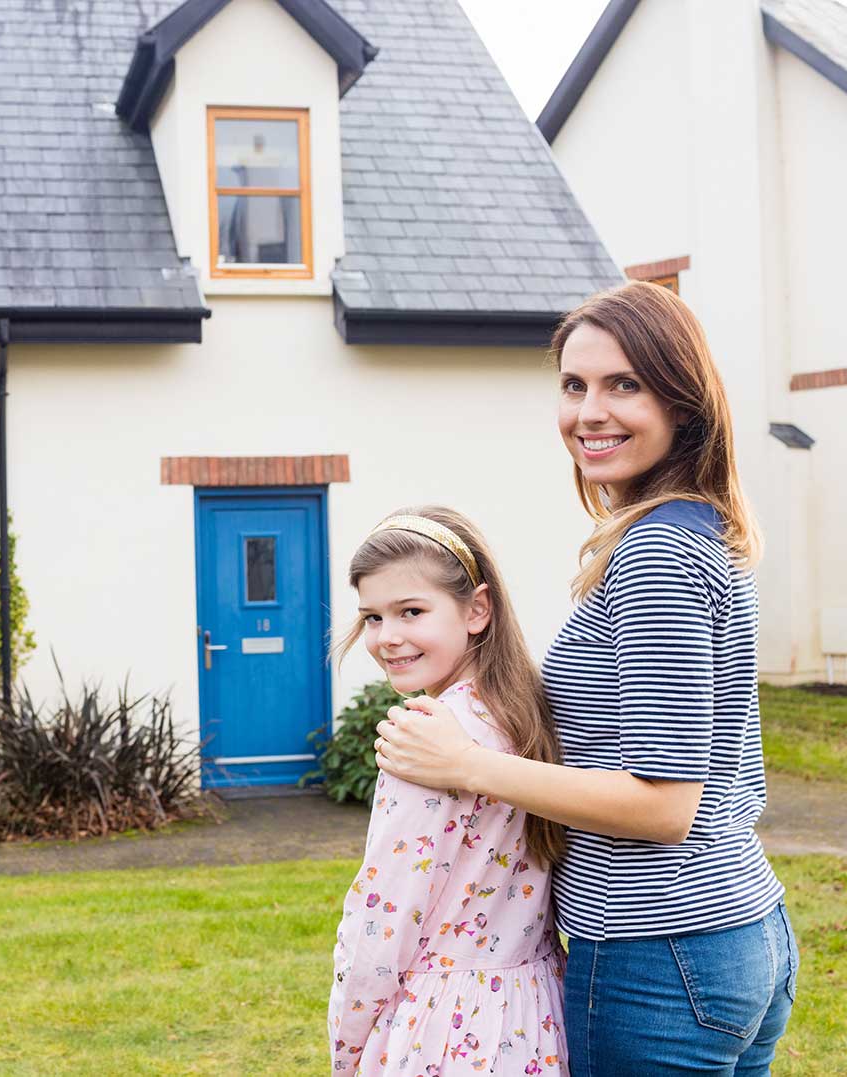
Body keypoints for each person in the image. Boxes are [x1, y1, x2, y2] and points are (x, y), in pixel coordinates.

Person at [373, 282, 798, 1076]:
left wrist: (466, 765)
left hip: (658, 953)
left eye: (623, 384)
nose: (589, 412)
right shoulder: (694, 528)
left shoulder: (657, 554)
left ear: (683, 400)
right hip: (735, 930)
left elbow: (665, 803)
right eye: (574, 385)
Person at [328, 507, 570, 1075]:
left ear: (476, 609)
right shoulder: (521, 715)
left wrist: (347, 1045)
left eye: (411, 611)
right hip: (533, 1015)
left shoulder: (426, 741)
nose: (387, 637)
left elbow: (380, 924)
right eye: (372, 617)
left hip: (441, 1028)